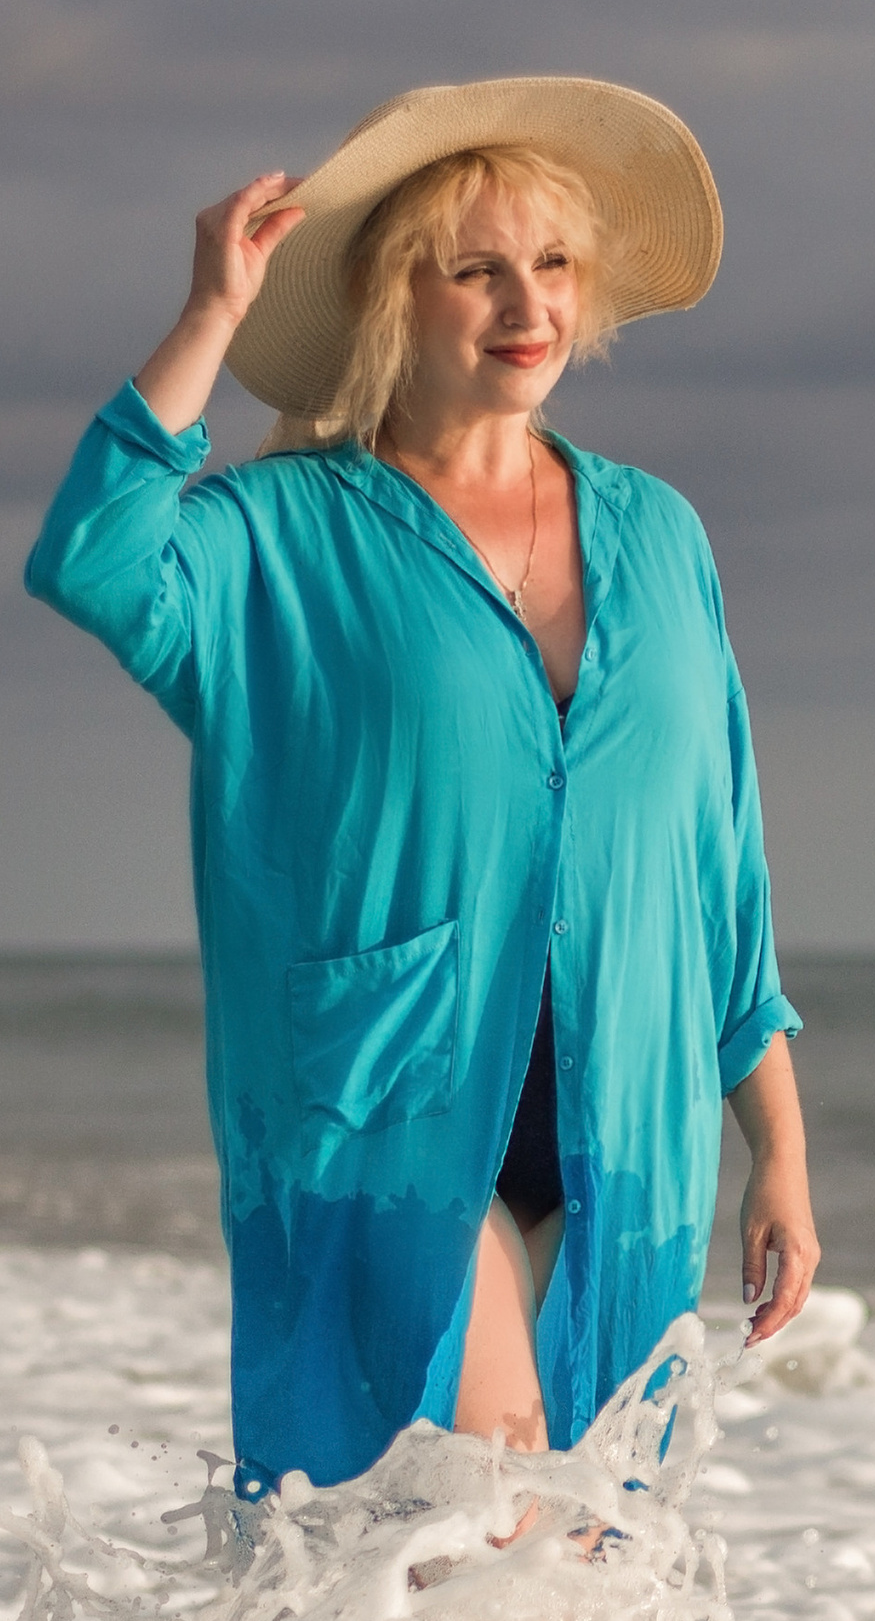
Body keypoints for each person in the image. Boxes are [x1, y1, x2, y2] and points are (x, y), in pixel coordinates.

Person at [23, 78, 819, 1497]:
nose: (531, 304)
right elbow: (91, 559)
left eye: (555, 266)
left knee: (584, 1536)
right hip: (385, 1089)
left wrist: (779, 1151)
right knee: (469, 1480)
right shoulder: (281, 535)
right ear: (400, 298)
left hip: (630, 1101)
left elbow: (720, 861)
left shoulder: (657, 528)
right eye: (480, 271)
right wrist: (211, 315)